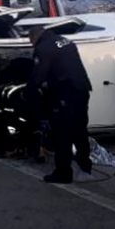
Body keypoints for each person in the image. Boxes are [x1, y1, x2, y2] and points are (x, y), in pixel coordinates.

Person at [26, 26, 93, 184]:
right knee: (80, 130)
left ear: (35, 37)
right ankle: (85, 166)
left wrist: (28, 92)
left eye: (31, 42)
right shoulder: (65, 41)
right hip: (81, 90)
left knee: (62, 134)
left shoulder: (43, 48)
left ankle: (63, 173)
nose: (32, 45)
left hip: (65, 94)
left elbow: (38, 76)